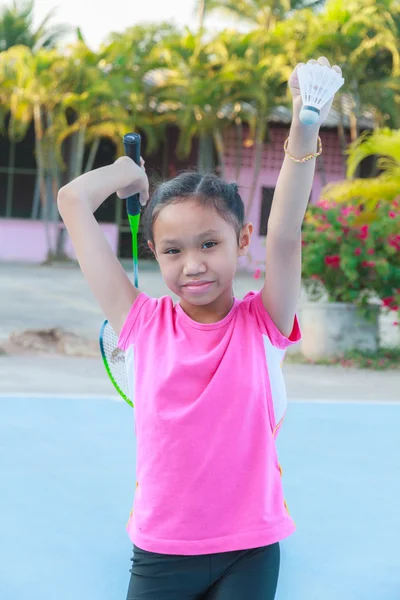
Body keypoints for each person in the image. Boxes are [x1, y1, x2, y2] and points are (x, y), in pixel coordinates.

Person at [58, 56, 342, 600]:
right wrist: (128, 174)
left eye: (209, 243)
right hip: (162, 553)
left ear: (241, 241)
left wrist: (305, 128)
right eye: (173, 250)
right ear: (155, 255)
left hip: (251, 550)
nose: (192, 264)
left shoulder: (264, 322)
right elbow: (73, 201)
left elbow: (285, 235)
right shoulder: (139, 322)